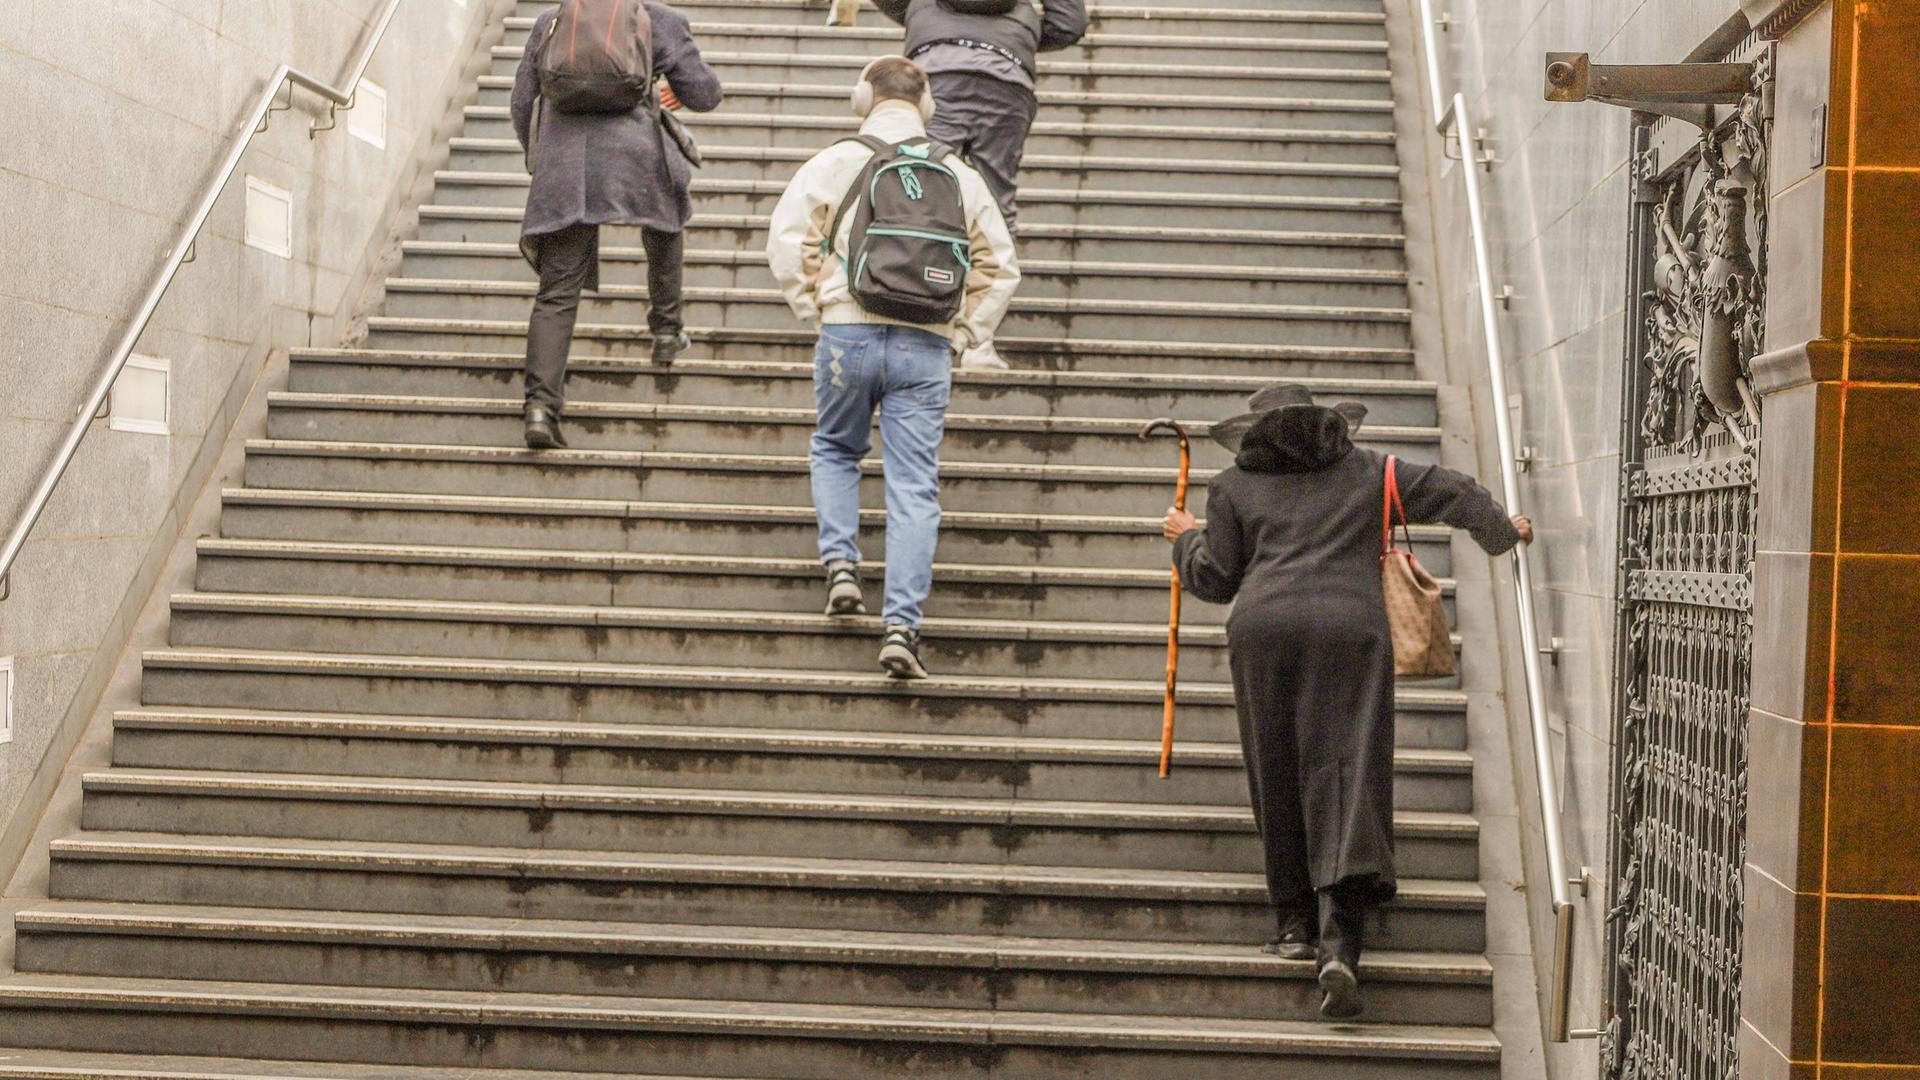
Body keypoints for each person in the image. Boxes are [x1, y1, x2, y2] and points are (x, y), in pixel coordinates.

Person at [1161, 383, 1533, 1020]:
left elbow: (1215, 580)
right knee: (1346, 773)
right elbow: (1458, 490)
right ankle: (1340, 945)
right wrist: (1502, 532)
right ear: (1327, 425)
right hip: (1349, 633)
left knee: (1275, 769)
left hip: (1263, 634)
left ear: (1254, 433)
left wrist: (1184, 537)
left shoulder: (1232, 488)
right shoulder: (1373, 471)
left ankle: (1290, 925)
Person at [766, 56, 1019, 679]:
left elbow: (786, 239)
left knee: (834, 447)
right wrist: (963, 333)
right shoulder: (958, 173)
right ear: (927, 104)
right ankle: (902, 627)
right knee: (914, 485)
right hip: (925, 345)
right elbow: (1000, 264)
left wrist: (816, 305)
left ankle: (843, 567)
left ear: (863, 99)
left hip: (846, 335)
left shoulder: (832, 161)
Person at [511, 0, 723, 449]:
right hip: (637, 159)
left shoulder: (551, 21)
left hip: (566, 167)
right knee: (666, 218)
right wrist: (673, 87)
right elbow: (706, 94)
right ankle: (666, 330)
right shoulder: (658, 19)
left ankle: (539, 408)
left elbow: (521, 101)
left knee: (557, 290)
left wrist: (541, 157)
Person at [870, 0, 1087, 370]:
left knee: (918, 194)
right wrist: (1022, 34)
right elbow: (1069, 23)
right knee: (996, 203)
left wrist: (924, 18)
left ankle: (907, 318)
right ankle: (978, 340)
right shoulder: (1018, 11)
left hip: (935, 73)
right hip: (1007, 77)